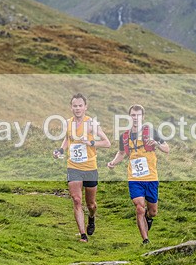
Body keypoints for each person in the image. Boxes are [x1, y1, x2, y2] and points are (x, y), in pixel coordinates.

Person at [107, 104, 169, 245]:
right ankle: (145, 240)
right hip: (134, 178)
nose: (135, 118)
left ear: (143, 117)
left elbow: (167, 148)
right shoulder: (125, 136)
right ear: (130, 116)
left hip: (151, 177)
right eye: (133, 115)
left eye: (138, 115)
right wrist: (113, 162)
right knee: (139, 207)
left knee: (152, 211)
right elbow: (121, 153)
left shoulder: (151, 131)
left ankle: (149, 218)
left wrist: (157, 144)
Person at [53, 93, 111, 242]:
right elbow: (67, 139)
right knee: (77, 199)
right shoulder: (68, 123)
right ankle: (83, 235)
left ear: (85, 107)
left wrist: (91, 143)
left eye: (80, 106)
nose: (77, 108)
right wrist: (60, 150)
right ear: (71, 107)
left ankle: (91, 217)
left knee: (91, 204)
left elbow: (107, 143)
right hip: (73, 166)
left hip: (90, 167)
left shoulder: (91, 124)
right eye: (75, 106)